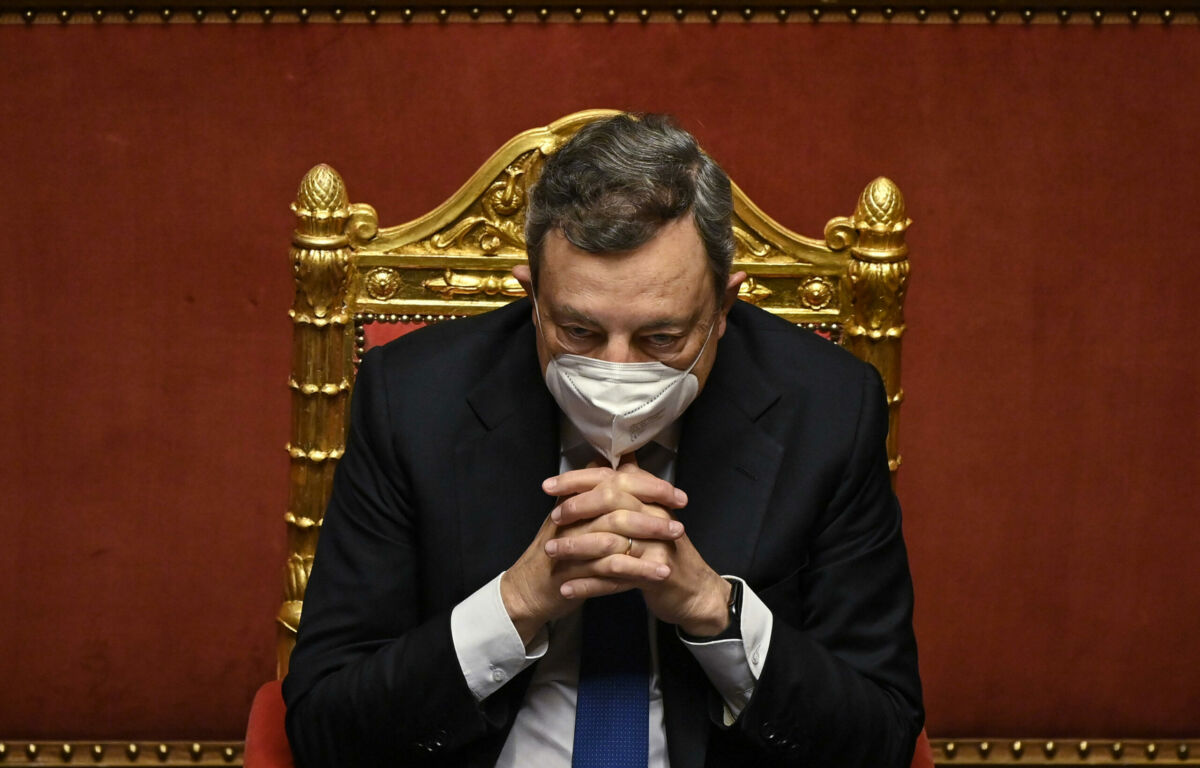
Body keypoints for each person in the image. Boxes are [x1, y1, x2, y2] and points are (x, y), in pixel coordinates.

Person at [282, 113, 923, 768]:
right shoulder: (414, 398)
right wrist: (515, 605)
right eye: (580, 333)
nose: (616, 372)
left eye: (662, 339)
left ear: (724, 309)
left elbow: (881, 735)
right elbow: (324, 725)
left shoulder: (829, 408)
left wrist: (714, 610)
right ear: (532, 297)